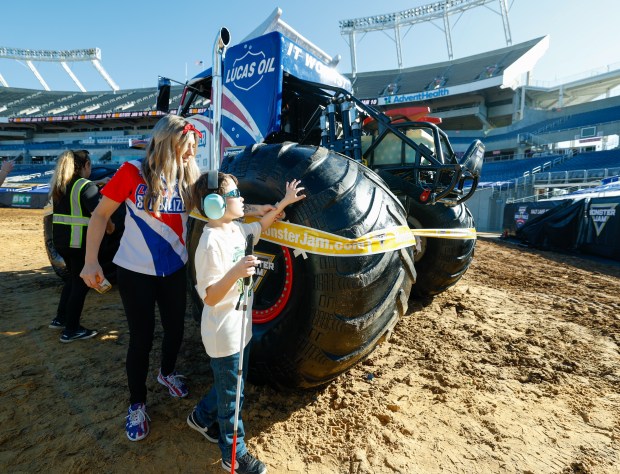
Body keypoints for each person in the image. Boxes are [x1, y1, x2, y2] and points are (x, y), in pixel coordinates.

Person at [80, 114, 203, 442]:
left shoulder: (191, 177)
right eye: (188, 146)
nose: (192, 152)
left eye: (195, 146)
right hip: (135, 271)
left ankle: (166, 373)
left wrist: (264, 209)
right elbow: (100, 215)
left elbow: (224, 205)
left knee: (177, 328)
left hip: (175, 269)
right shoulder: (132, 172)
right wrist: (91, 261)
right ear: (169, 142)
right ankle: (137, 405)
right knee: (142, 337)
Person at [186, 171, 305, 474]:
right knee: (233, 399)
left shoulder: (237, 231)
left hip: (241, 328)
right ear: (214, 204)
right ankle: (234, 456)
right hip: (223, 332)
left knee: (230, 385)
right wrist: (237, 272)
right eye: (235, 195)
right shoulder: (210, 242)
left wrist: (284, 202)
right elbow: (210, 296)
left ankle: (200, 417)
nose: (242, 200)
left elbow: (262, 224)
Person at [49, 150, 112, 342]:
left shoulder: (61, 185)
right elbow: (100, 214)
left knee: (72, 280)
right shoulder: (85, 185)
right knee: (80, 285)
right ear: (85, 166)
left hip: (62, 242)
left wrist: (97, 185)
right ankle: (71, 329)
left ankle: (61, 318)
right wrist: (111, 227)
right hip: (78, 242)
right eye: (90, 166)